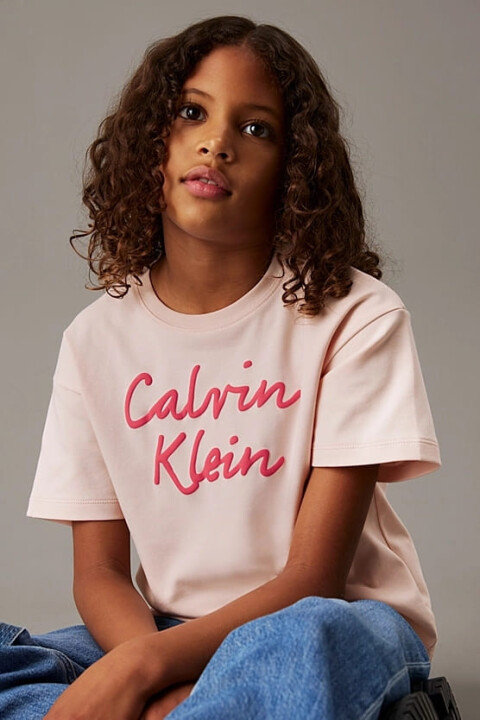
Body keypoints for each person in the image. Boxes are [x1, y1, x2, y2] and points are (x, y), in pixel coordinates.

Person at [0, 15, 441, 720]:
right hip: (165, 628)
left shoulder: (356, 316)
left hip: (327, 617)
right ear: (151, 142)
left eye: (256, 128)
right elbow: (101, 573)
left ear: (294, 170)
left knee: (301, 647)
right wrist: (150, 664)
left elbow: (313, 577)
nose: (217, 143)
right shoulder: (94, 341)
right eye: (191, 113)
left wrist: (139, 674)